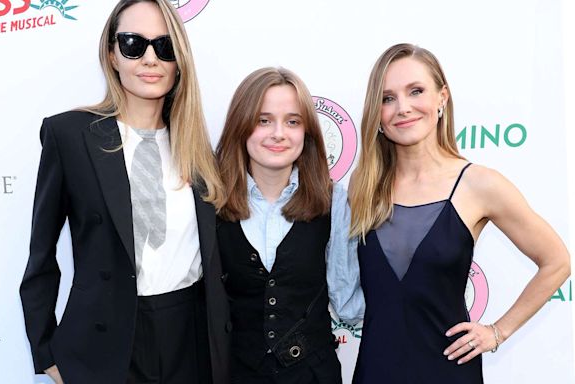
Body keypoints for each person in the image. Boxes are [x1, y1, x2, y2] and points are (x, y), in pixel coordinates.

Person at [19, 1, 229, 383]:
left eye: (164, 47)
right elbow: (40, 257)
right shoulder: (70, 136)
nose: (150, 58)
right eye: (134, 44)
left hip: (191, 337)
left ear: (178, 61)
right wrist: (46, 352)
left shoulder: (199, 151)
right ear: (112, 54)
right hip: (105, 343)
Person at [349, 43, 571, 383]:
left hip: (448, 370)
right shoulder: (363, 187)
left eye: (416, 91)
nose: (402, 108)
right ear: (376, 113)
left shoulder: (479, 184)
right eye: (387, 98)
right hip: (376, 369)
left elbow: (557, 262)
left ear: (442, 98)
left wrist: (497, 331)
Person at [215, 67, 364, 383]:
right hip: (235, 375)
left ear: (307, 132)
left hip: (313, 375)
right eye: (263, 120)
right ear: (240, 126)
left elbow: (349, 302)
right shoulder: (209, 201)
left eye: (293, 121)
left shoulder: (335, 201)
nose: (278, 133)